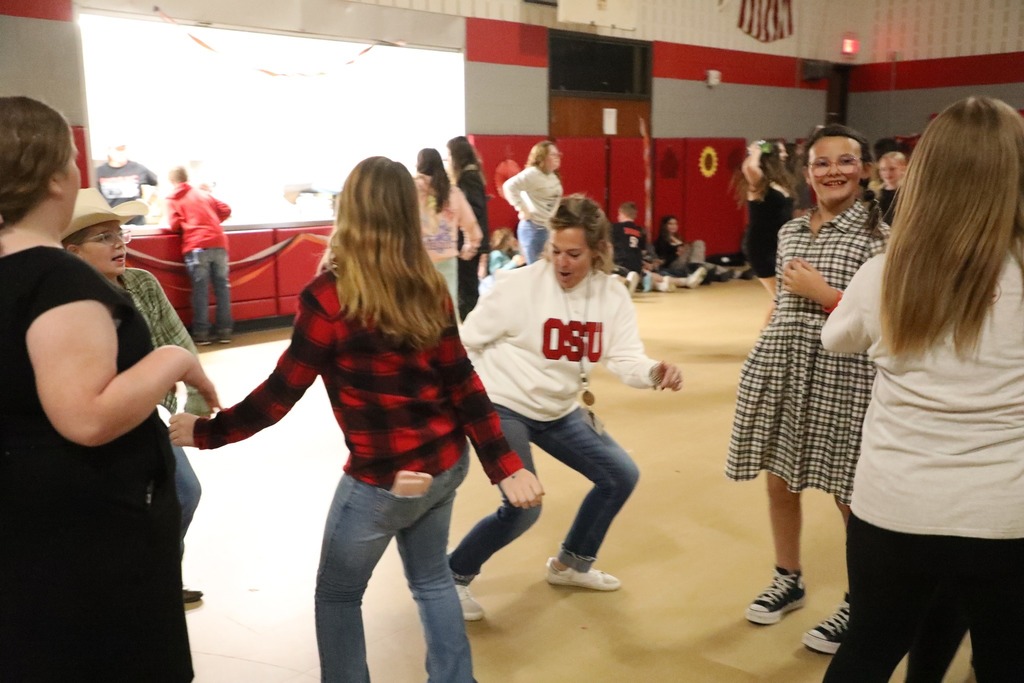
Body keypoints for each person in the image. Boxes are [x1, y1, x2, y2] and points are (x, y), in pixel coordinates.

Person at [168, 156, 543, 683]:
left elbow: (279, 396)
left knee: (338, 595)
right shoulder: (427, 287)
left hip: (384, 482)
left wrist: (205, 432)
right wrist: (504, 465)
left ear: (351, 211)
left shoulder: (329, 298)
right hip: (443, 464)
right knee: (433, 580)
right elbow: (465, 385)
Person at [0, 95, 218, 681]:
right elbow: (87, 418)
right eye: (72, 160)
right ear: (53, 176)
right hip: (88, 543)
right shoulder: (57, 280)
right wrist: (172, 360)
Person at [821, 96, 1024, 681]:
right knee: (1006, 658)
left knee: (869, 647)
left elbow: (838, 339)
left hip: (895, 508)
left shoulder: (885, 273)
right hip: (1004, 515)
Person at [448, 194, 684, 622]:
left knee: (620, 475)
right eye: (555, 252)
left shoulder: (610, 294)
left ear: (596, 251)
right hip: (504, 405)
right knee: (525, 506)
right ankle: (452, 576)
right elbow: (465, 344)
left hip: (559, 409)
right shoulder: (516, 286)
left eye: (574, 254)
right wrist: (467, 406)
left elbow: (625, 358)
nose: (562, 263)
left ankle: (571, 564)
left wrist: (654, 372)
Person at [726, 123, 888, 655]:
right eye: (822, 162)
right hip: (786, 367)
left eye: (846, 161)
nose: (833, 171)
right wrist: (759, 353)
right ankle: (788, 577)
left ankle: (864, 601)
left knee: (851, 495)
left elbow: (883, 320)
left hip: (848, 377)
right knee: (780, 478)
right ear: (807, 171)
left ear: (863, 170)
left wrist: (825, 293)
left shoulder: (882, 235)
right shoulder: (792, 231)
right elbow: (780, 302)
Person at [62, 187, 210, 605]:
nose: (119, 244)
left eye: (120, 234)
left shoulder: (141, 284)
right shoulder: (66, 300)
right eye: (104, 237)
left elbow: (177, 343)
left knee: (184, 492)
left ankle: (160, 579)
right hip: (97, 425)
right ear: (72, 251)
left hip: (148, 416)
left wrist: (195, 405)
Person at [165, 165, 233, 345]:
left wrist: (189, 224)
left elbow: (174, 225)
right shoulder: (203, 193)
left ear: (172, 181)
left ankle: (202, 334)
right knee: (222, 288)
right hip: (219, 243)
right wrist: (210, 221)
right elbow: (225, 209)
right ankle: (225, 331)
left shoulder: (173, 197)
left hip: (196, 245)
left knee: (200, 291)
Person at [734, 139, 796, 322]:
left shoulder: (778, 182)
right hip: (762, 246)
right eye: (781, 152)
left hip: (780, 246)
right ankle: (765, 340)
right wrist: (756, 150)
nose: (785, 155)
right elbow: (749, 168)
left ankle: (768, 339)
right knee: (782, 296)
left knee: (784, 296)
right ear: (771, 156)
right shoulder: (760, 184)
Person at [415, 147, 482, 309]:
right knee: (448, 307)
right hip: (447, 259)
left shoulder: (411, 189)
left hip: (419, 260)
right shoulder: (452, 192)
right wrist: (471, 245)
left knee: (420, 309)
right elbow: (471, 223)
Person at [611, 201, 703, 294]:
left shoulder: (615, 228)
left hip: (621, 263)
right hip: (636, 265)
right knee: (650, 275)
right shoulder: (639, 231)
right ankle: (683, 281)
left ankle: (631, 284)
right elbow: (639, 251)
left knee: (615, 275)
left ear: (622, 213)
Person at [447, 136, 489, 320]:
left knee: (467, 288)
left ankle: (470, 324)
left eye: (449, 156)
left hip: (469, 242)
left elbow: (474, 207)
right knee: (467, 286)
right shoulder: (472, 175)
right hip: (471, 240)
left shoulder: (468, 177)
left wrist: (458, 214)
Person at [502, 140, 563, 264]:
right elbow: (509, 186)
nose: (557, 157)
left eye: (558, 154)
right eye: (553, 154)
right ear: (542, 157)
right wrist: (521, 209)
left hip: (547, 228)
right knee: (536, 271)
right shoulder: (532, 173)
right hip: (534, 229)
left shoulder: (552, 175)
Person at [96, 142, 158, 225]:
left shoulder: (138, 168)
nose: (121, 153)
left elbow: (157, 184)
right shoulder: (98, 172)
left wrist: (148, 202)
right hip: (111, 222)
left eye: (123, 149)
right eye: (118, 149)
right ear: (109, 151)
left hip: (136, 222)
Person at [652, 215, 716, 284]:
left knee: (710, 265)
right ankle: (695, 268)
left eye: (675, 224)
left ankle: (696, 268)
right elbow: (663, 260)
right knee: (698, 243)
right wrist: (676, 254)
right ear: (664, 225)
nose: (673, 226)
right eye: (670, 224)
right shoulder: (661, 241)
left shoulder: (678, 238)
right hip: (674, 265)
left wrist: (686, 248)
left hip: (686, 262)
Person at [478, 227, 525, 296]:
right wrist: (513, 263)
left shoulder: (509, 253)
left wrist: (517, 249)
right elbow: (496, 273)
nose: (515, 239)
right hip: (498, 288)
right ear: (506, 241)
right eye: (512, 237)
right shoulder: (496, 254)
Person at [876, 151, 908, 225]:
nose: (887, 173)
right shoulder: (876, 195)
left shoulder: (909, 194)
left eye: (892, 169)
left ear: (903, 169)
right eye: (883, 169)